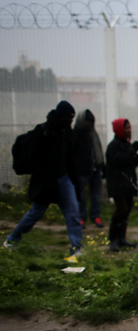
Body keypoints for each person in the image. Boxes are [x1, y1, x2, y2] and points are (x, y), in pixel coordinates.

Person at [3, 100, 83, 256]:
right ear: (61, 117)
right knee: (35, 213)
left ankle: (76, 248)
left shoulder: (67, 132)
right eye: (68, 118)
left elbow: (70, 157)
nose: (70, 122)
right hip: (46, 181)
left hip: (64, 179)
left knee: (73, 213)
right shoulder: (43, 131)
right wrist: (44, 177)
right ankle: (12, 239)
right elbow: (34, 157)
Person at [105, 118, 138, 252]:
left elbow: (130, 163)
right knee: (121, 210)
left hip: (128, 184)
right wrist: (132, 151)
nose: (129, 131)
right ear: (119, 130)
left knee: (126, 211)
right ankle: (113, 239)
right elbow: (119, 161)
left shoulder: (126, 145)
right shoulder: (113, 146)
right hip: (117, 185)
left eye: (130, 128)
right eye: (126, 128)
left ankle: (121, 238)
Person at [74, 109, 105, 229]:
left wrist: (101, 166)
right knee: (80, 197)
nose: (89, 123)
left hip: (95, 169)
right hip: (82, 171)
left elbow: (98, 150)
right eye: (87, 121)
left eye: (91, 121)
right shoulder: (75, 134)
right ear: (82, 121)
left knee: (96, 196)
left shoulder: (93, 133)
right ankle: (81, 218)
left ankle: (96, 217)